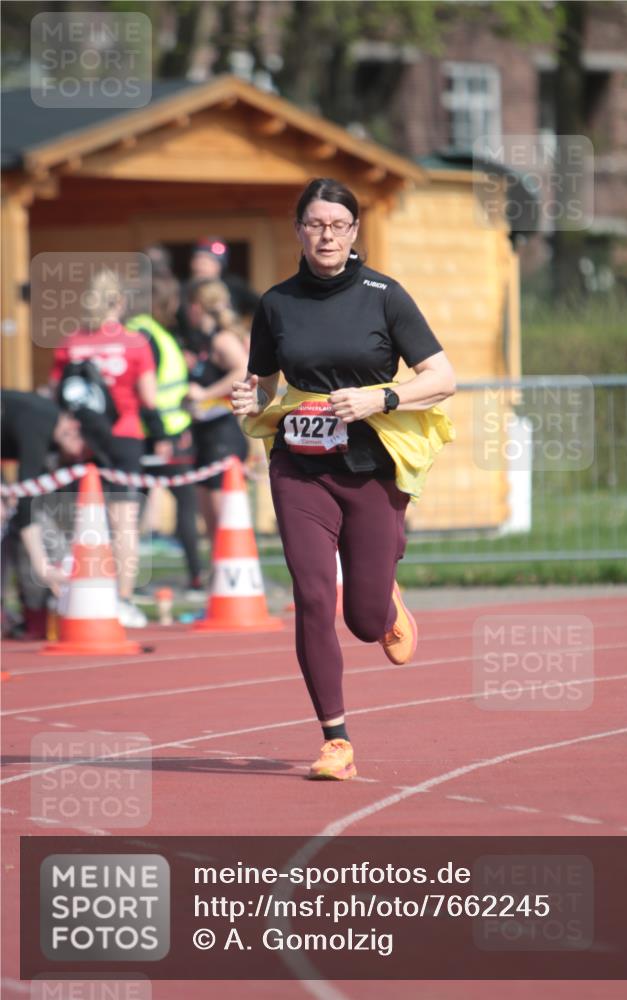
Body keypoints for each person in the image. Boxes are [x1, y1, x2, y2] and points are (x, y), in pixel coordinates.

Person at [232, 177, 456, 781]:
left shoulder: (385, 295)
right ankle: (336, 740)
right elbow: (264, 385)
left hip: (372, 468)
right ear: (298, 230)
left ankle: (384, 597)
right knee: (311, 597)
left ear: (354, 231)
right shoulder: (277, 302)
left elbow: (442, 377)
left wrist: (379, 398)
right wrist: (247, 399)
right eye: (315, 224)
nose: (326, 235)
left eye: (337, 225)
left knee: (361, 618)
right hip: (299, 467)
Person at [49, 268, 165, 628]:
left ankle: (76, 597)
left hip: (82, 440)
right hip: (124, 434)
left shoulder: (72, 342)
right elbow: (149, 396)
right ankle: (124, 600)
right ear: (120, 302)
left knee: (77, 519)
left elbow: (57, 394)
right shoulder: (136, 342)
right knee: (123, 522)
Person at [126, 274, 204, 597]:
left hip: (162, 429)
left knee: (135, 507)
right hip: (159, 433)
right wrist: (160, 432)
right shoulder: (146, 335)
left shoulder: (149, 332)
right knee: (170, 503)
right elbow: (145, 391)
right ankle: (194, 575)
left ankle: (127, 582)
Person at [1, 390, 87, 637]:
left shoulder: (47, 422)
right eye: (84, 445)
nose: (81, 454)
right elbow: (26, 496)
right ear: (73, 426)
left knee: (11, 515)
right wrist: (43, 567)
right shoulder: (40, 421)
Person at [185, 277, 249, 542]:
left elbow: (243, 369)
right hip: (204, 435)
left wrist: (204, 394)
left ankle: (232, 578)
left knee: (224, 523)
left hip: (223, 436)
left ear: (198, 306)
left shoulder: (222, 339)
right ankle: (216, 578)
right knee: (210, 524)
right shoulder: (202, 342)